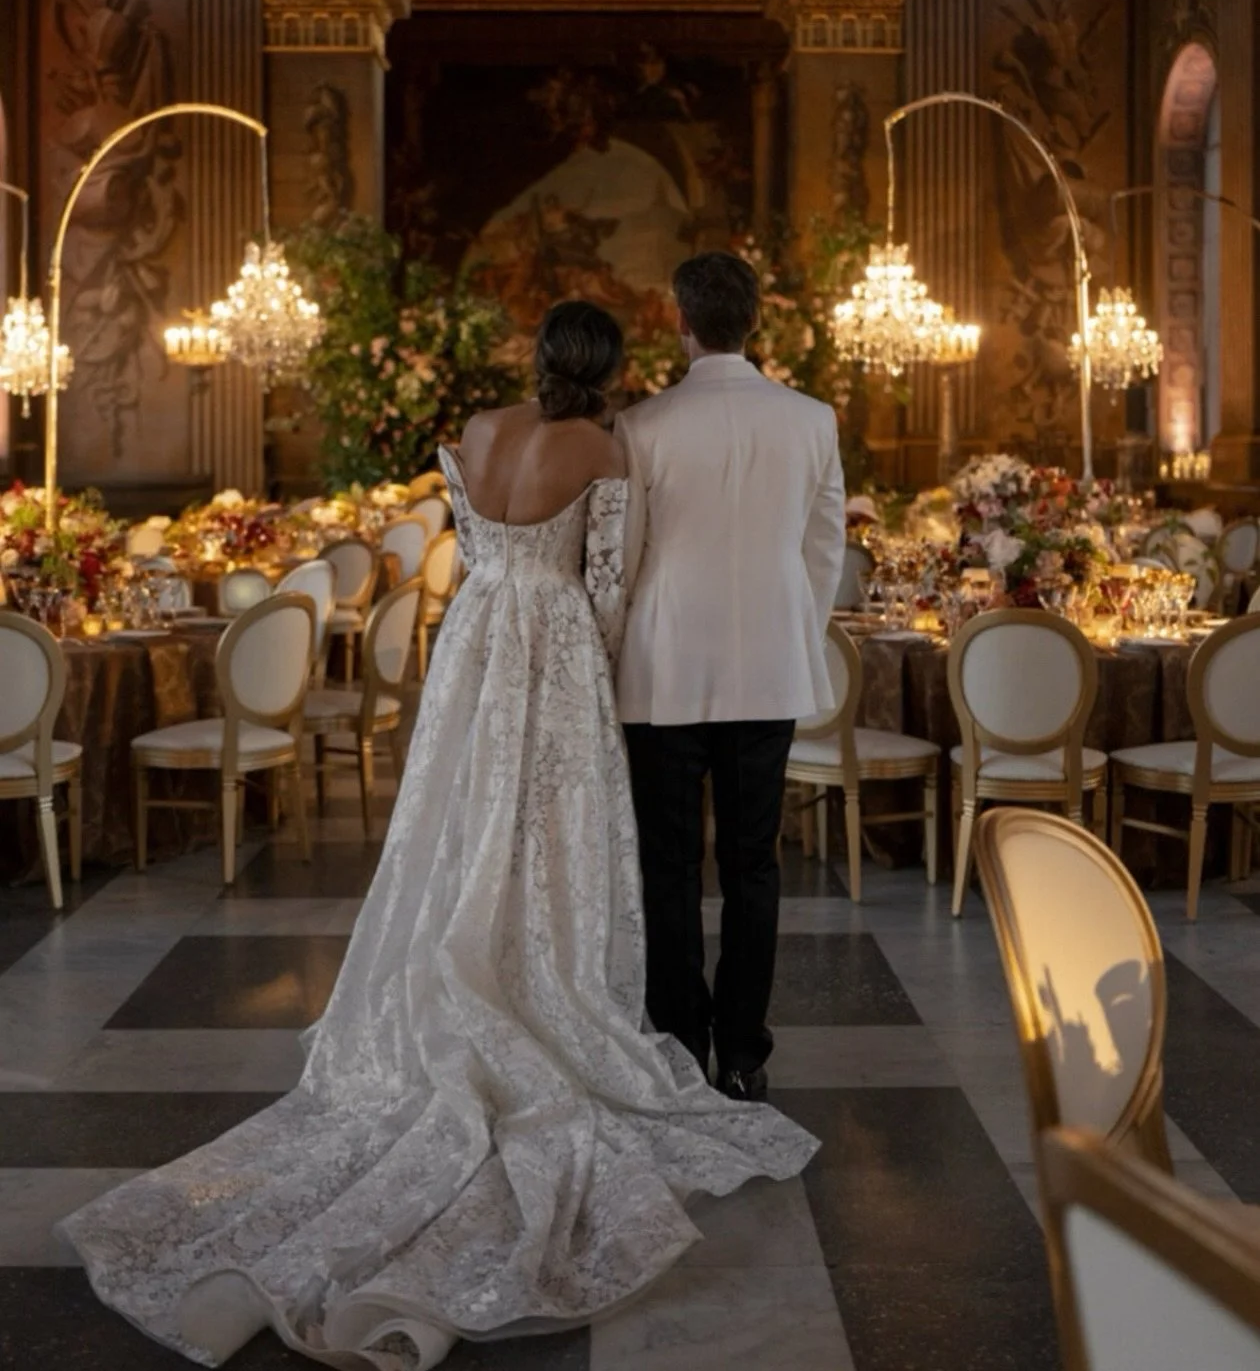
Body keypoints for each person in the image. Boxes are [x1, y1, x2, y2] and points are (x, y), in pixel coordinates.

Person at [58, 299, 819, 1370]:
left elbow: (472, 541)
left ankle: (469, 954)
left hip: (475, 639)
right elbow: (607, 586)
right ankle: (541, 970)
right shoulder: (601, 444)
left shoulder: (477, 429)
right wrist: (596, 664)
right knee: (549, 828)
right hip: (550, 641)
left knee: (462, 816)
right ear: (604, 368)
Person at [617, 252, 848, 1101]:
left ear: (681, 320)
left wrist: (617, 639)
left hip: (665, 662)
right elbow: (825, 547)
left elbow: (628, 557)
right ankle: (743, 1053)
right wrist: (793, 625)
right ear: (755, 321)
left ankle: (680, 1043)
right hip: (769, 667)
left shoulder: (642, 425)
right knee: (754, 863)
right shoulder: (812, 418)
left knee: (670, 864)